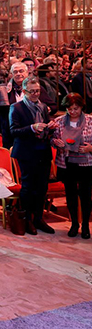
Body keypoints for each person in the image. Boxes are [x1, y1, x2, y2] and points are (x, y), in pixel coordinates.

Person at [10, 76, 58, 235]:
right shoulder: (16, 108)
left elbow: (45, 129)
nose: (36, 94)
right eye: (32, 91)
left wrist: (50, 127)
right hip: (26, 152)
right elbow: (13, 131)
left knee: (42, 187)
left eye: (38, 91)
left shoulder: (43, 107)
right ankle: (27, 220)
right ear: (24, 91)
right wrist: (31, 127)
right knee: (28, 187)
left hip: (42, 151)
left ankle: (39, 218)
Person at [52, 93, 92, 239]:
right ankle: (74, 223)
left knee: (86, 195)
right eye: (69, 108)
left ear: (81, 107)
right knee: (70, 195)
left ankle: (86, 225)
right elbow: (53, 139)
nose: (72, 111)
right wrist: (57, 143)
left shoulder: (90, 121)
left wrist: (90, 148)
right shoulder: (60, 121)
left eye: (75, 108)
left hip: (86, 163)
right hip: (67, 162)